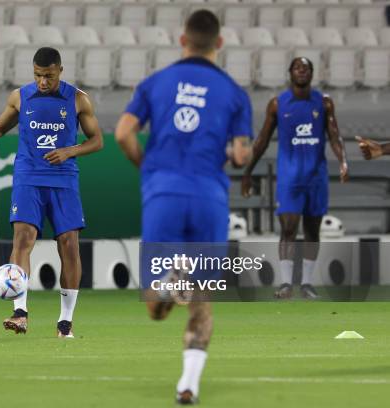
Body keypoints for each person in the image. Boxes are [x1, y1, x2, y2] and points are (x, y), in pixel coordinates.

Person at [115, 10, 253, 405]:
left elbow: (123, 133)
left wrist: (148, 167)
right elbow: (242, 154)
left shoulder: (155, 83)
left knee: (156, 309)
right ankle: (187, 385)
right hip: (210, 197)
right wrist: (230, 152)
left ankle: (169, 283)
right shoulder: (234, 93)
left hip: (163, 195)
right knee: (202, 300)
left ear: (182, 40)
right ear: (219, 44)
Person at [0, 47, 103, 338]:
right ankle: (20, 312)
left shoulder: (78, 99)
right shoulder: (21, 96)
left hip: (63, 178)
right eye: (38, 75)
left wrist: (70, 151)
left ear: (60, 71)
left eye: (49, 76)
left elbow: (97, 140)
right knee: (23, 237)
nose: (43, 82)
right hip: (28, 176)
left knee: (69, 244)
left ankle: (65, 322)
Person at [242, 57, 349, 300]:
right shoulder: (278, 104)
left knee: (312, 230)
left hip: (316, 178)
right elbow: (262, 140)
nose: (302, 71)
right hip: (290, 178)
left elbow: (335, 135)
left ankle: (308, 284)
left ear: (312, 74)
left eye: (306, 68)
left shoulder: (324, 103)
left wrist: (343, 160)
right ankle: (286, 283)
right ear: (289, 73)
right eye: (297, 68)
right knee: (288, 228)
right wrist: (248, 171)